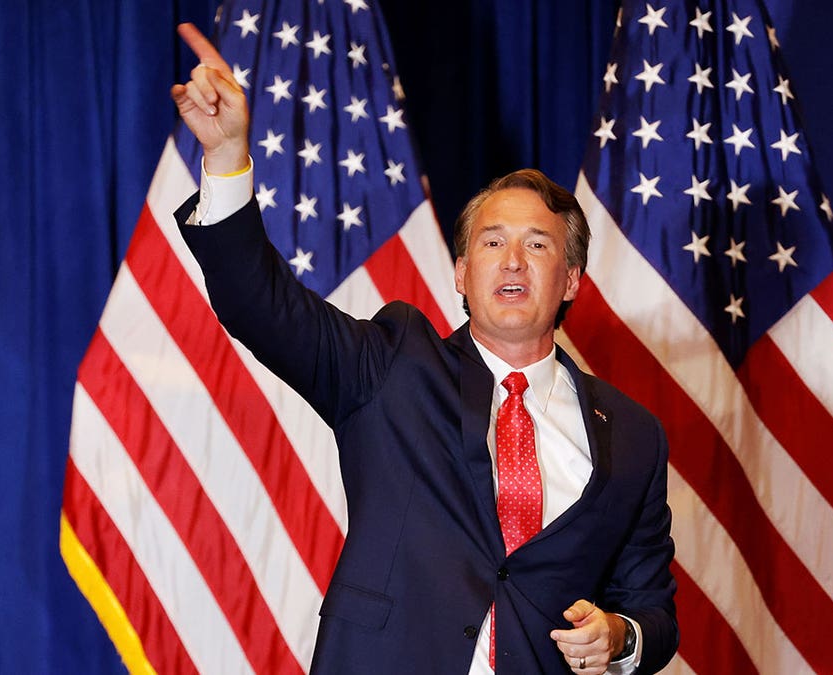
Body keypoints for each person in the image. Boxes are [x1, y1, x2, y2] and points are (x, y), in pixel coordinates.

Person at [170, 23, 677, 675]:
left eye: (539, 244)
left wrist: (621, 634)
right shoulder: (392, 362)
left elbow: (651, 607)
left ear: (571, 279)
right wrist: (228, 157)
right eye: (492, 242)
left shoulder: (634, 435)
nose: (513, 259)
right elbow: (258, 304)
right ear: (462, 273)